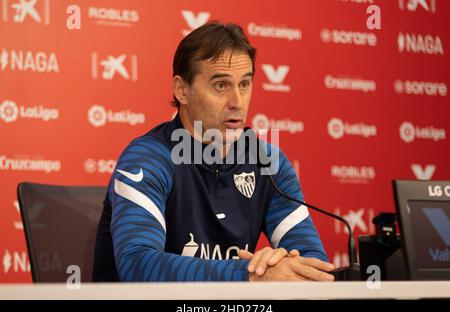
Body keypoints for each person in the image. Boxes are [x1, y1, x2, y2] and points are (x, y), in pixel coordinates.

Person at [93, 22, 335, 282]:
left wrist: (281, 267)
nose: (237, 102)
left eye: (244, 84)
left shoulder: (268, 163)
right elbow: (138, 266)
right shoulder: (147, 158)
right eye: (221, 85)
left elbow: (315, 268)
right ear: (182, 90)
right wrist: (250, 274)